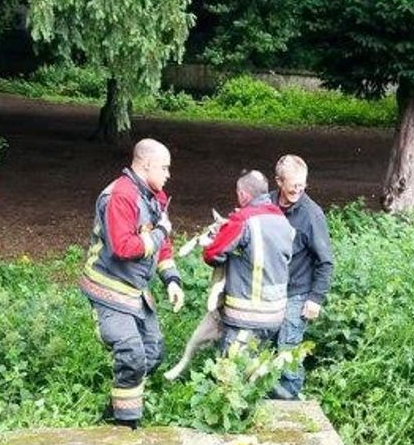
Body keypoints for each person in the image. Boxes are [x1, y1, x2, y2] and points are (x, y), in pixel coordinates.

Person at [79, 139, 184, 429]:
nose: (168, 174)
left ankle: (116, 407)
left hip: (136, 291)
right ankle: (125, 425)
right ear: (146, 164)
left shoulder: (155, 196)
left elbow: (162, 246)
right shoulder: (120, 196)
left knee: (153, 353)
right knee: (132, 354)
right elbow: (124, 248)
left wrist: (171, 279)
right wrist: (161, 231)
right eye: (164, 167)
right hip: (109, 290)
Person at [202, 170, 293, 354]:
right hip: (275, 315)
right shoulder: (282, 219)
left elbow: (213, 254)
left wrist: (215, 238)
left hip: (247, 315)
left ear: (243, 194)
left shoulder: (243, 220)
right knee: (257, 367)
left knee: (231, 368)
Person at [270, 154, 334, 399]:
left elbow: (326, 262)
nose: (298, 189)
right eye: (293, 185)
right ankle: (266, 397)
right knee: (265, 347)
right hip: (269, 290)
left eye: (302, 184)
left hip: (298, 293)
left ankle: (290, 402)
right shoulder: (266, 205)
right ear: (279, 181)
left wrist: (315, 299)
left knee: (287, 349)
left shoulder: (311, 214)